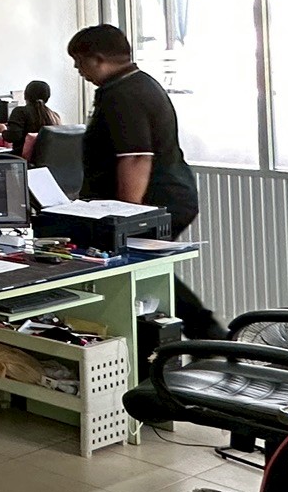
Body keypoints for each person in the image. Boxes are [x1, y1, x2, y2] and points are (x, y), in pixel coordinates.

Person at [65, 24, 222, 338]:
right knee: (143, 269)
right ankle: (202, 335)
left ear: (98, 59)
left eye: (79, 62)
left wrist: (127, 217)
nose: (77, 69)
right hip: (168, 195)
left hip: (154, 199)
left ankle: (205, 334)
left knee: (138, 267)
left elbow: (136, 157)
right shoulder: (134, 84)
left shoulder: (124, 94)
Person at [2, 80, 59, 164]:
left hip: (22, 162)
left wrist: (2, 130)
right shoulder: (54, 116)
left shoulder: (20, 112)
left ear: (25, 96)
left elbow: (13, 137)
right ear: (47, 97)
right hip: (47, 163)